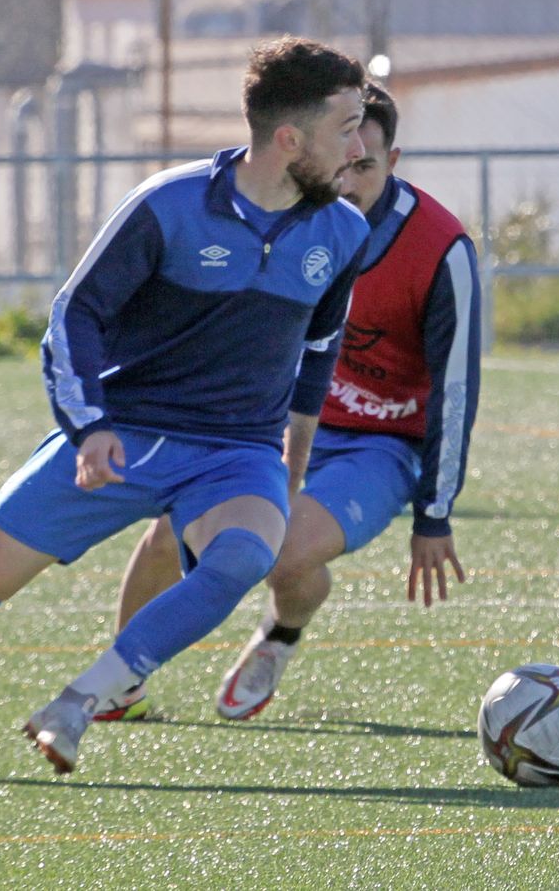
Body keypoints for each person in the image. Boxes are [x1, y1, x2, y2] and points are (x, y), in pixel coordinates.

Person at [0, 37, 370, 777]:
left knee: (241, 557)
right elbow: (75, 317)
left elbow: (316, 358)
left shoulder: (344, 232)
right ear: (290, 138)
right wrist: (91, 426)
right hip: (124, 436)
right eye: (347, 127)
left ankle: (78, 703)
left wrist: (290, 467)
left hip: (237, 450)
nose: (359, 148)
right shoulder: (169, 207)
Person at [94, 83, 482, 724]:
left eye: (368, 166)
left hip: (381, 446)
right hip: (276, 422)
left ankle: (280, 634)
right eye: (344, 160)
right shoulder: (286, 217)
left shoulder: (441, 247)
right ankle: (119, 686)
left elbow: (456, 389)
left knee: (285, 554)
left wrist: (434, 515)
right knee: (168, 535)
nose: (351, 179)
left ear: (394, 160)